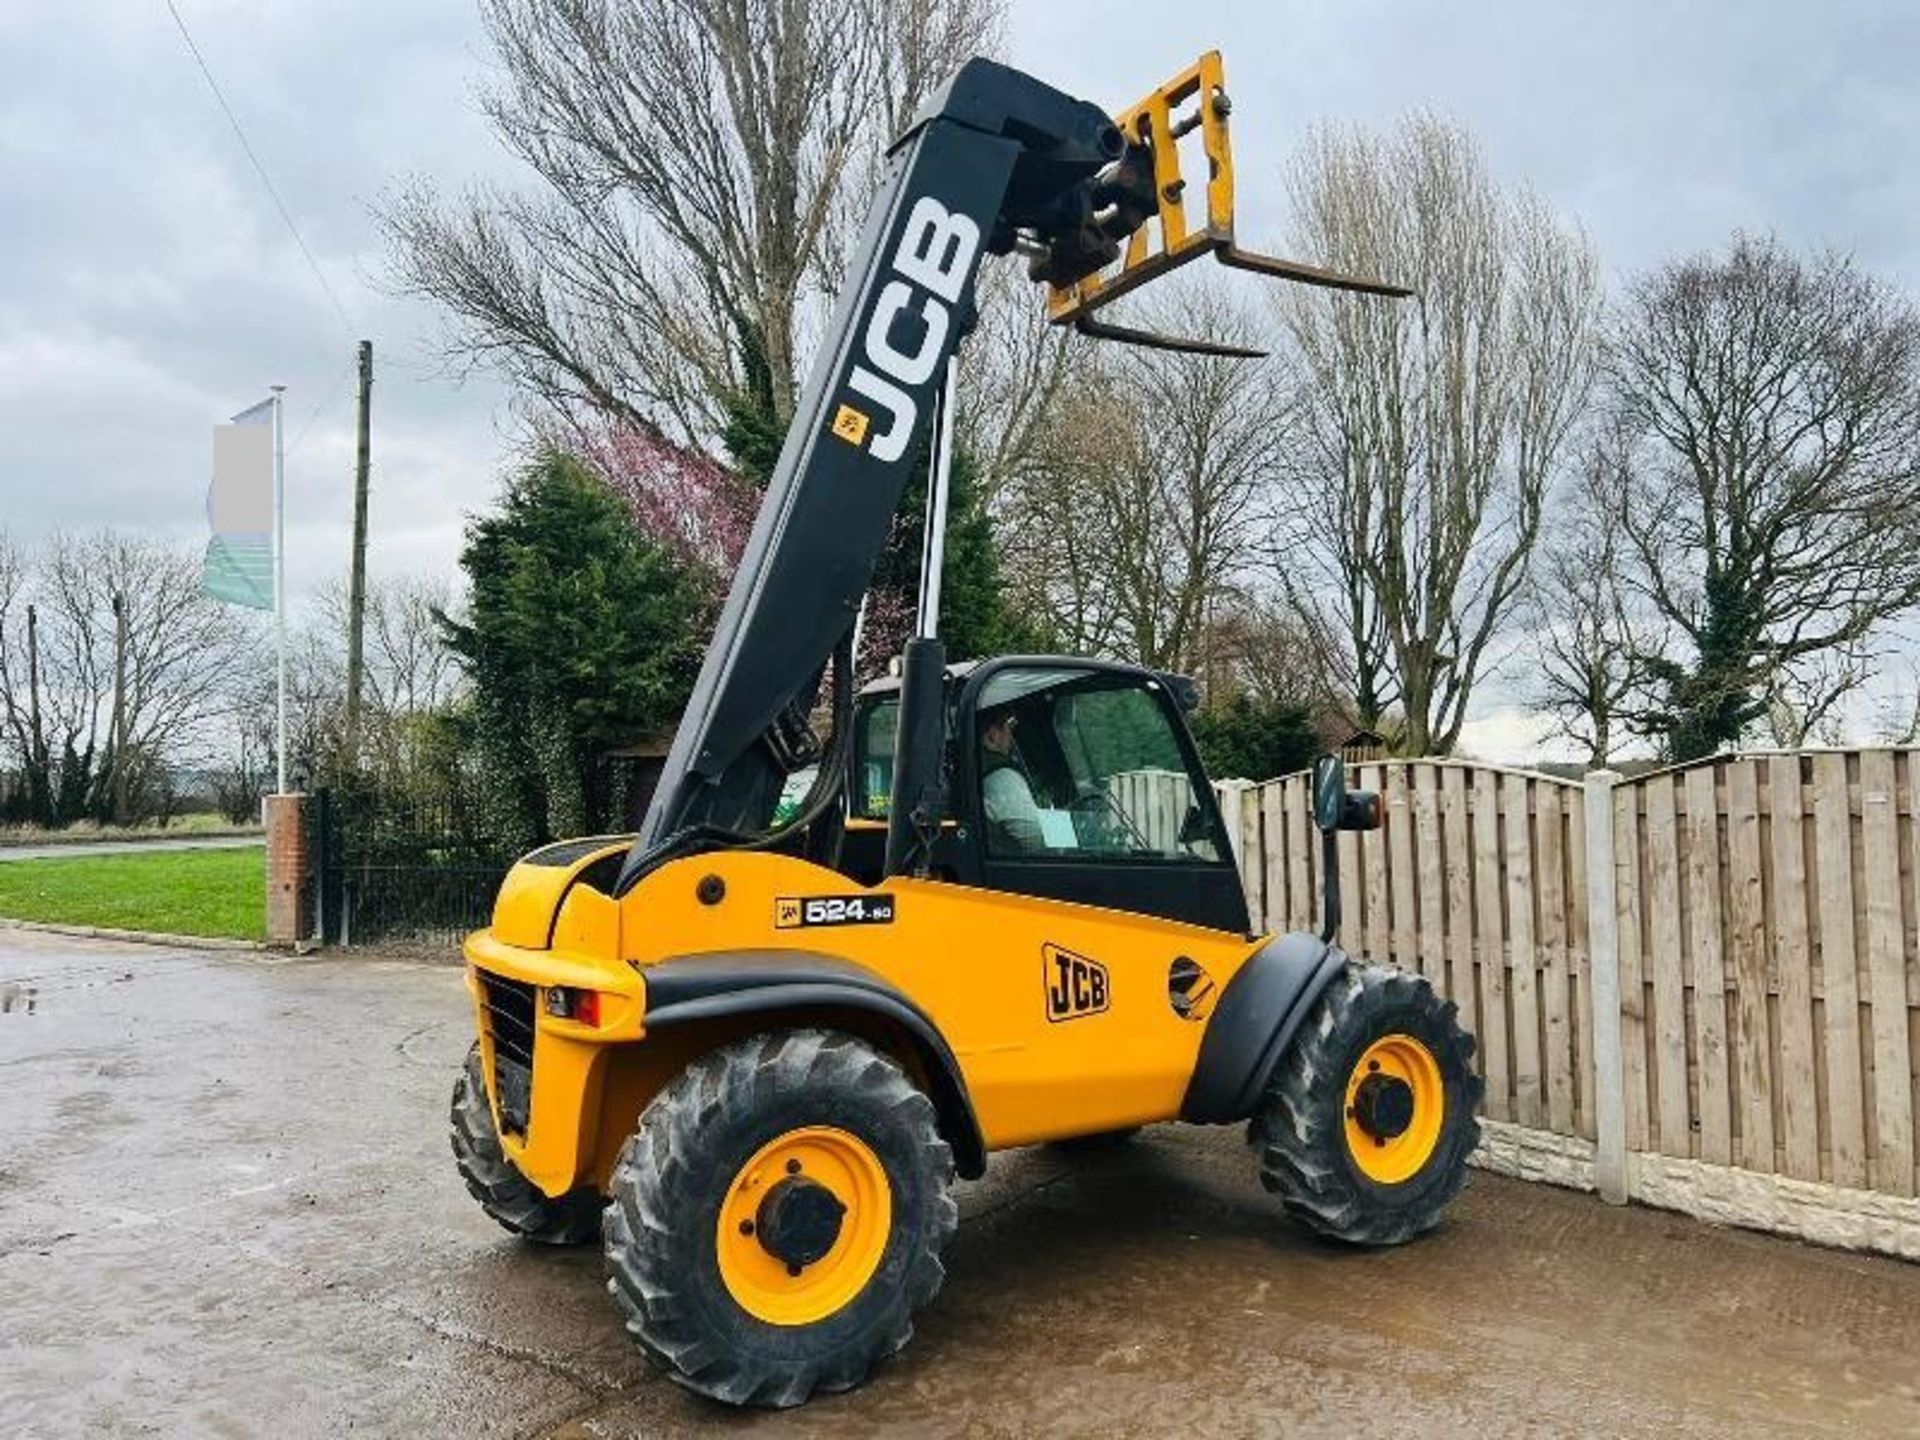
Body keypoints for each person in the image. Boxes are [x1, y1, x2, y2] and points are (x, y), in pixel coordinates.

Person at [979, 707, 1045, 851]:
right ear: (993, 736)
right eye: (1009, 729)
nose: (1011, 738)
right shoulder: (1001, 777)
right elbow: (1037, 837)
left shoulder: (975, 768)